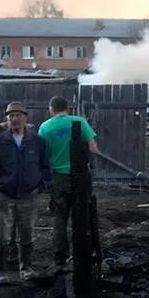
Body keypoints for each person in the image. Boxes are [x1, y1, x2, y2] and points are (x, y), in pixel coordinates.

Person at [0, 101, 52, 284]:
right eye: (11, 116)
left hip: (29, 195)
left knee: (27, 233)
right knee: (3, 235)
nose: (15, 119)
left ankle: (26, 268)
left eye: (18, 115)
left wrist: (40, 185)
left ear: (25, 117)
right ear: (6, 119)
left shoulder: (38, 141)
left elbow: (45, 166)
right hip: (5, 195)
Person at [36, 95, 99, 270]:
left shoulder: (45, 127)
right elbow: (93, 148)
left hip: (58, 178)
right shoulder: (79, 121)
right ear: (67, 108)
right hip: (80, 175)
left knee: (59, 217)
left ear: (51, 108)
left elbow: (42, 154)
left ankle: (59, 256)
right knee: (82, 214)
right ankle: (83, 252)